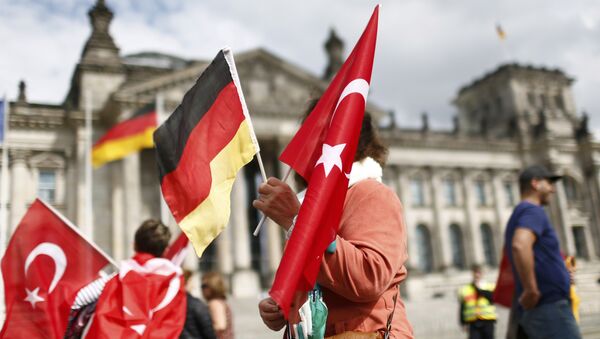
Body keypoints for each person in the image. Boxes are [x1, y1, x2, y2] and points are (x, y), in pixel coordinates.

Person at [255, 111, 413, 338]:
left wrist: (296, 222)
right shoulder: (314, 206)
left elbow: (370, 277)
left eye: (316, 134)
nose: (305, 147)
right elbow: (319, 284)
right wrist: (283, 306)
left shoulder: (372, 194)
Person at [504, 165, 581, 339]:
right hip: (548, 306)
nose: (553, 189)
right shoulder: (532, 210)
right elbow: (520, 245)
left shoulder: (520, 213)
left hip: (543, 308)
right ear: (535, 183)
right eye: (549, 183)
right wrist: (531, 289)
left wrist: (561, 272)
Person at [458, 264, 497, 339]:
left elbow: (492, 299)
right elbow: (462, 307)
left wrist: (479, 289)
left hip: (487, 320)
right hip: (473, 321)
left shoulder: (490, 286)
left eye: (478, 273)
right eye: (475, 273)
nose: (477, 275)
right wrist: (463, 323)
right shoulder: (466, 288)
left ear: (482, 274)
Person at [180, 269, 217, 339]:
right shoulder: (196, 304)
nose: (193, 285)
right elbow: (209, 331)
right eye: (191, 281)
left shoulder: (172, 304)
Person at [201, 271, 234, 339]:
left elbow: (220, 325)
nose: (202, 289)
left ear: (213, 286)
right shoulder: (221, 302)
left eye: (204, 286)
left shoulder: (214, 303)